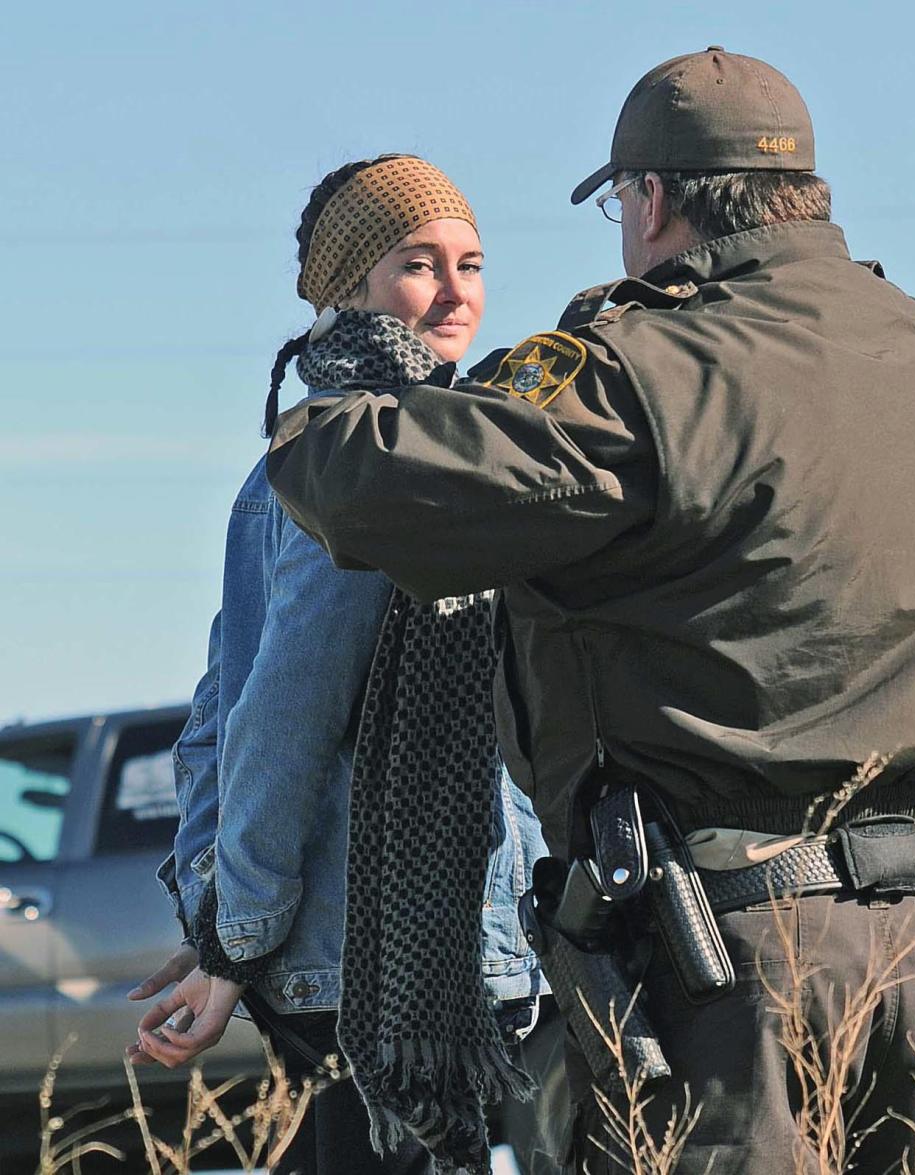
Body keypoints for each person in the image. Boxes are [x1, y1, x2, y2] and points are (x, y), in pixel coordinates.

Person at [266, 50, 915, 1174]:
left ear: (652, 198)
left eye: (621, 202)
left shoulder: (650, 361)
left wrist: (337, 375)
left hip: (736, 961)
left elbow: (369, 487)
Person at [127, 155, 544, 1175]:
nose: (456, 292)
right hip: (400, 966)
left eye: (472, 262)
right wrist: (234, 936)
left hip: (395, 951)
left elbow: (221, 717)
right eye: (418, 263)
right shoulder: (381, 454)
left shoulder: (326, 448)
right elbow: (275, 712)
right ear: (344, 285)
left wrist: (227, 915)